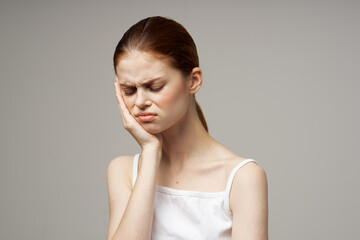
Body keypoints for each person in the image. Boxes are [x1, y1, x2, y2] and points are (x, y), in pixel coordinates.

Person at [106, 16, 268, 240]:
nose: (140, 101)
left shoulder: (242, 178)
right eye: (129, 90)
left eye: (154, 86)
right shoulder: (123, 171)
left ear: (193, 81)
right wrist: (151, 152)